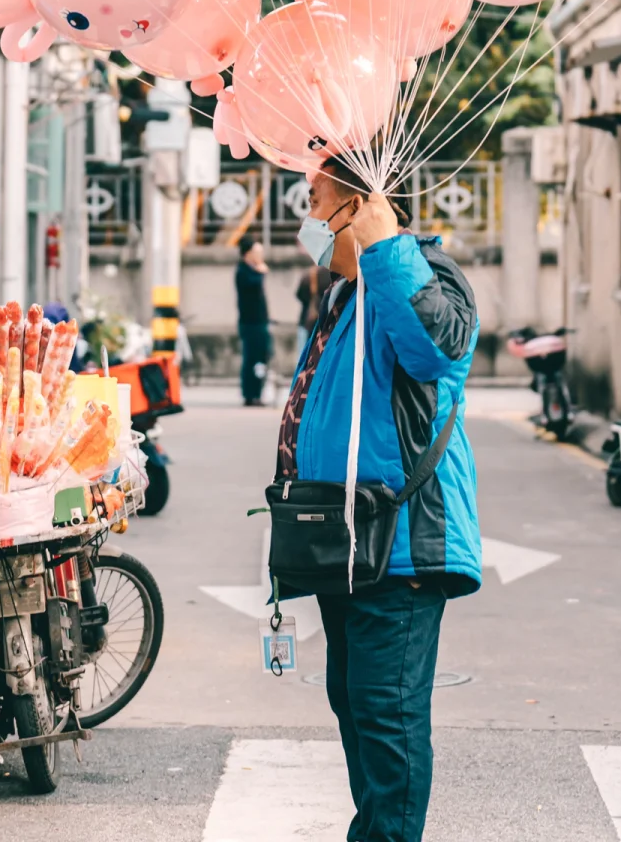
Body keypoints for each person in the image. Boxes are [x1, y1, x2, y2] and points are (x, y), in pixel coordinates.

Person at [277, 155, 481, 842]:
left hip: (399, 546)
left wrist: (386, 246)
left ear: (359, 208)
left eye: (315, 200)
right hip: (346, 546)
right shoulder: (345, 295)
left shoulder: (424, 273)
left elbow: (437, 349)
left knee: (386, 716)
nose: (307, 218)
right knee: (356, 706)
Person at [236, 234, 271, 407]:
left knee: (261, 356)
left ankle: (257, 392)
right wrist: (261, 271)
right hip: (250, 323)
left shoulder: (252, 270)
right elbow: (253, 284)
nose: (260, 256)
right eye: (257, 252)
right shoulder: (243, 271)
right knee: (252, 358)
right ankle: (250, 394)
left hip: (259, 321)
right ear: (248, 253)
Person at [295, 263, 331, 360]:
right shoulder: (333, 275)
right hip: (326, 322)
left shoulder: (309, 275)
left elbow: (299, 295)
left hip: (307, 320)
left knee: (304, 355)